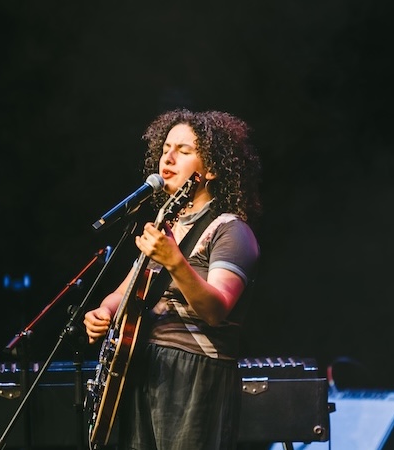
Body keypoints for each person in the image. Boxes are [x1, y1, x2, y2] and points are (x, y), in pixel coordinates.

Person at [84, 108, 262, 449]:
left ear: (211, 169)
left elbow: (216, 309)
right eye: (165, 148)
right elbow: (123, 294)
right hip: (143, 367)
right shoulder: (165, 229)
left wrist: (175, 261)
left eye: (183, 150)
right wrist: (104, 312)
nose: (168, 157)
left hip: (194, 372)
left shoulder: (231, 230)